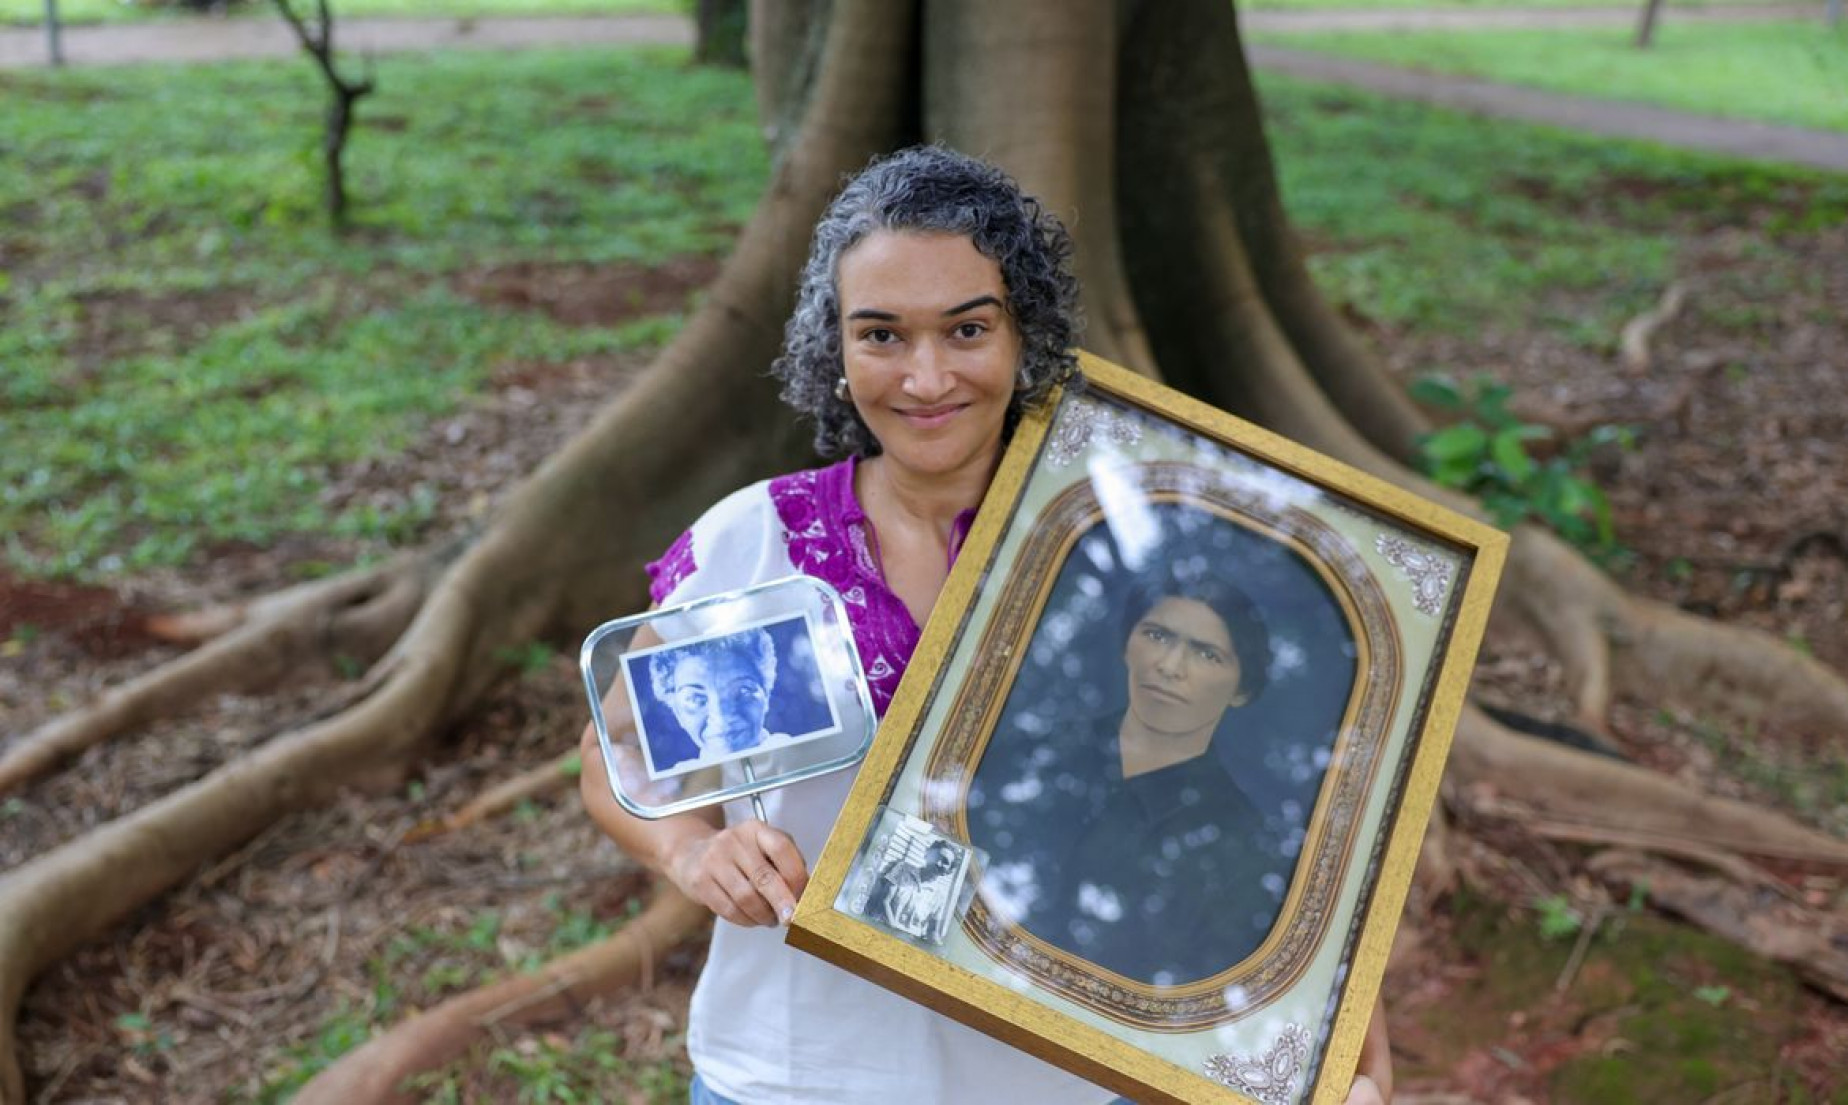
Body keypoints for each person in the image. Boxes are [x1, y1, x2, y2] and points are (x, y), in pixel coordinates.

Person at [579, 145, 1393, 1105]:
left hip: (1067, 1076)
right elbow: (615, 749)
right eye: (882, 335)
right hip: (795, 1071)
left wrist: (1348, 1052)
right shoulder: (762, 544)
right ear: (835, 348)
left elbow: (1299, 814)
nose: (926, 378)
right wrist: (690, 849)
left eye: (967, 329)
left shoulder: (1127, 548)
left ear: (1023, 334)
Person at [969, 565, 1299, 986]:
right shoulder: (1030, 755)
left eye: (1206, 654)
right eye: (1157, 636)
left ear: (1243, 689)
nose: (1170, 665)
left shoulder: (1244, 844)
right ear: (1127, 646)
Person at [647, 630, 783, 773]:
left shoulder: (794, 757)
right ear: (677, 713)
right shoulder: (680, 781)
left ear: (766, 695)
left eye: (743, 692)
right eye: (696, 699)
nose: (721, 717)